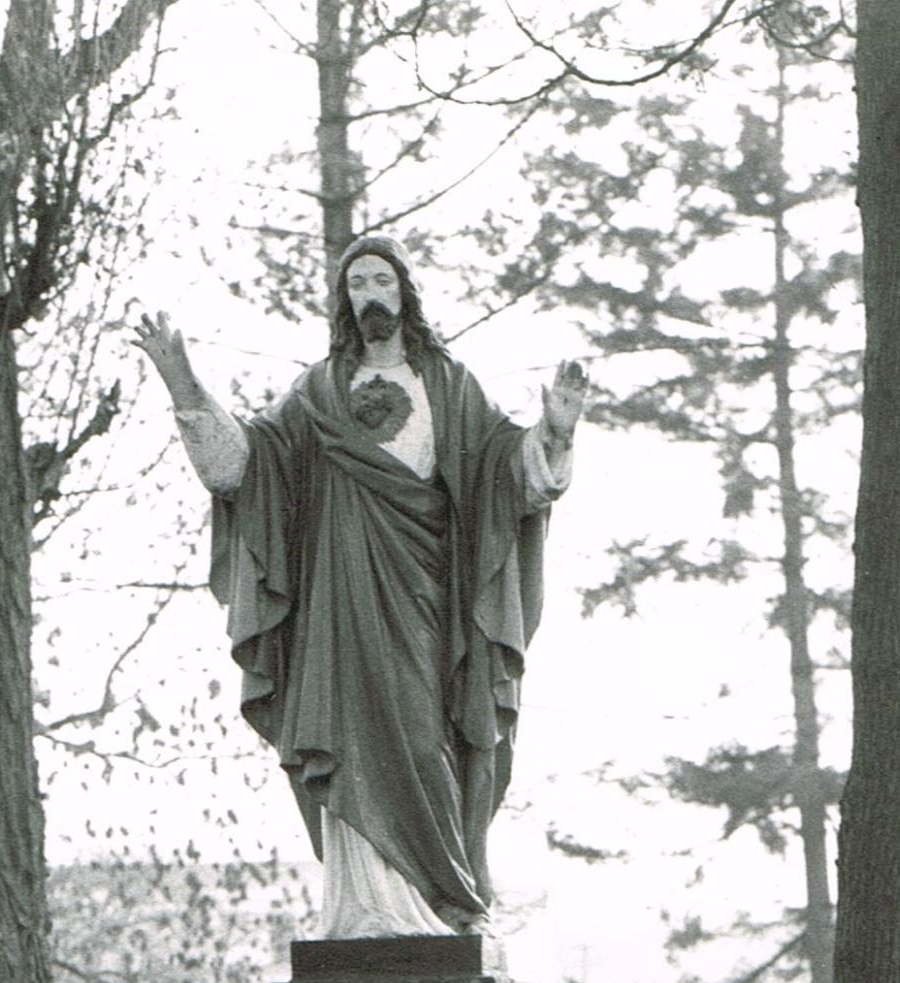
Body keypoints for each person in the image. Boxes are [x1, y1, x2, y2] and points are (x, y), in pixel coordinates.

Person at [135, 233, 584, 938]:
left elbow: (506, 478)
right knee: (347, 736)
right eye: (357, 284)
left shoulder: (449, 385)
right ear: (345, 302)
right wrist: (185, 389)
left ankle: (441, 907)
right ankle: (366, 919)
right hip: (338, 611)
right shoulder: (318, 393)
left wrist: (553, 437)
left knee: (421, 732)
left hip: (427, 600)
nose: (370, 294)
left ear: (404, 291)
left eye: (381, 279)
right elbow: (248, 471)